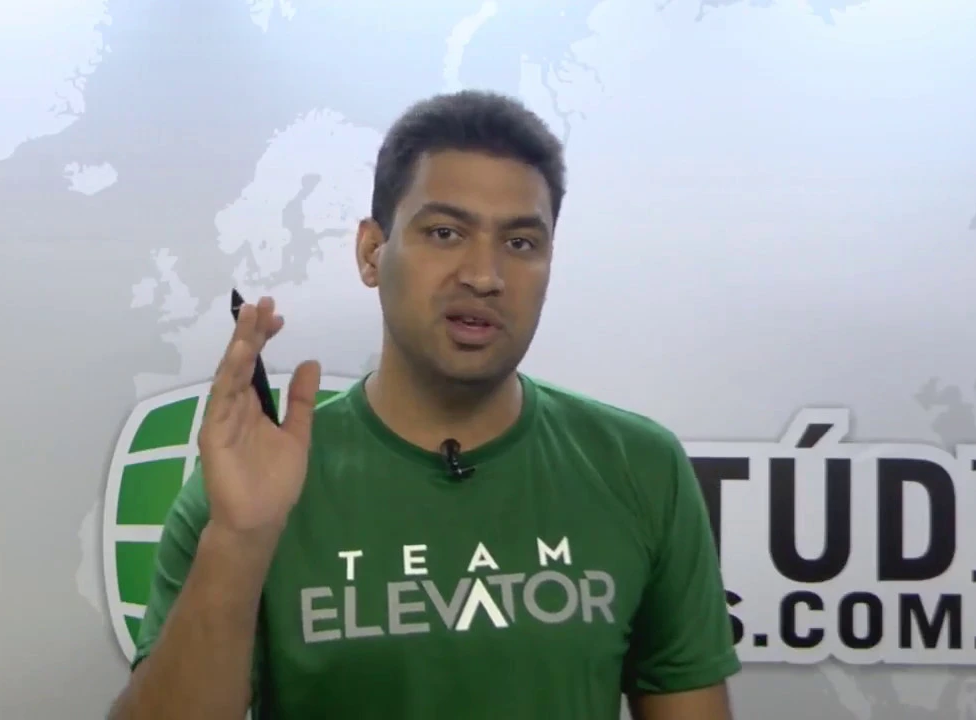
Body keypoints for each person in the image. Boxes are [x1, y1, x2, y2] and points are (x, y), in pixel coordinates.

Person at [108, 90, 740, 720]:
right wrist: (240, 541)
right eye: (445, 233)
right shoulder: (251, 489)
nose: (484, 275)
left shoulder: (638, 466)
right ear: (371, 252)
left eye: (521, 243)